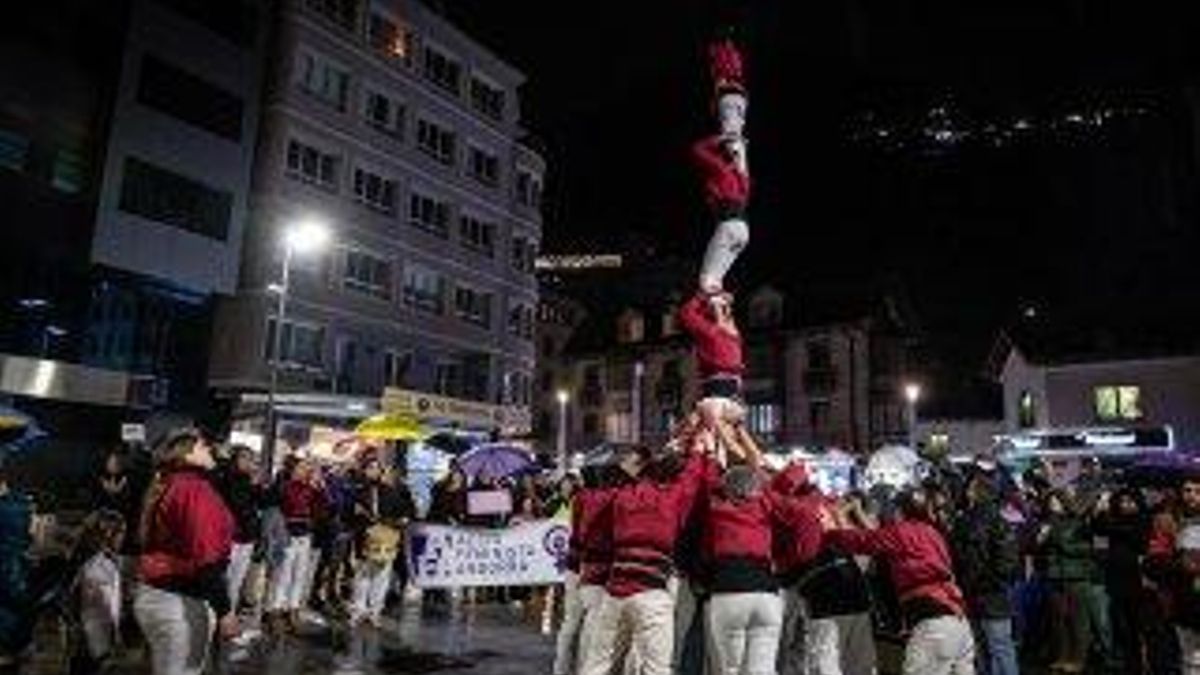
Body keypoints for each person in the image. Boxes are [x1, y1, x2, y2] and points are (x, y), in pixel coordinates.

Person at [577, 443, 715, 675]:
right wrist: (703, 452)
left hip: (615, 591)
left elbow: (593, 530)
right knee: (657, 668)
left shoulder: (622, 496)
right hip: (651, 592)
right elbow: (695, 479)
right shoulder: (673, 497)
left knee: (597, 664)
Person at [823, 486, 976, 675]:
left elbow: (864, 541)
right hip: (960, 625)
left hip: (934, 625)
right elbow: (879, 538)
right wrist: (858, 514)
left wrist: (830, 531)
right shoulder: (931, 532)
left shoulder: (902, 532)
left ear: (899, 511)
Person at [133, 428, 237, 675]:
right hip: (180, 602)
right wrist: (225, 611)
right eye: (203, 446)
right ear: (188, 455)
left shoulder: (168, 482)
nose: (210, 449)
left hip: (155, 594)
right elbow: (207, 557)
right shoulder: (194, 489)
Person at [773, 464, 874, 675]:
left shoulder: (795, 509)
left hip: (824, 595)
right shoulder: (829, 504)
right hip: (857, 592)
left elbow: (795, 560)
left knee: (824, 661)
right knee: (859, 664)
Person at [700, 445, 785, 675]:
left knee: (731, 668)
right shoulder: (764, 507)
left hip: (729, 589)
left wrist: (709, 452)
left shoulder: (717, 510)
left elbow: (706, 485)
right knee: (763, 669)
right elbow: (766, 477)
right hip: (767, 592)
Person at [951, 469, 1020, 675]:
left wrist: (984, 580)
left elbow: (1006, 560)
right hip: (988, 592)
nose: (966, 491)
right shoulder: (992, 520)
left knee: (988, 648)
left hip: (981, 592)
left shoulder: (971, 521)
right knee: (996, 648)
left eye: (970, 488)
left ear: (976, 492)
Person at [1036, 489, 1109, 673]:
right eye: (1051, 502)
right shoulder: (1048, 523)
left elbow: (1087, 549)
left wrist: (1061, 542)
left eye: (1056, 501)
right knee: (1059, 620)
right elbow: (1036, 549)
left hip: (1077, 575)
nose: (1053, 505)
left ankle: (1078, 658)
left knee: (1078, 620)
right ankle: (1062, 656)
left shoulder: (1080, 522)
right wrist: (1039, 540)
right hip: (1054, 575)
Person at [554, 466, 615, 675]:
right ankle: (583, 668)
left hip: (575, 564)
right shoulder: (606, 498)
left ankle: (560, 668)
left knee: (571, 621)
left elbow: (576, 531)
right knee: (592, 620)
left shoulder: (578, 499)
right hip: (592, 566)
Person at [349, 456, 414, 626]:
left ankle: (375, 611)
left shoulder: (390, 491)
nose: (374, 471)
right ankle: (358, 611)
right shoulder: (357, 490)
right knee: (362, 575)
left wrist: (402, 519)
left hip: (386, 539)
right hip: (363, 537)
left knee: (381, 576)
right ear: (364, 470)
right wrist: (354, 512)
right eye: (370, 468)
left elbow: (406, 510)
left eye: (377, 468)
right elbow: (346, 513)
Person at [265, 454, 326, 633]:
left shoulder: (310, 488)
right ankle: (275, 610)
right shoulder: (285, 487)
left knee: (299, 574)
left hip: (305, 535)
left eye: (306, 467)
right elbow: (286, 507)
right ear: (292, 469)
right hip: (287, 535)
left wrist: (320, 489)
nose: (305, 470)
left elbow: (321, 510)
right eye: (301, 467)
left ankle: (292, 609)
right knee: (283, 574)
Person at [1146, 475, 1200, 673]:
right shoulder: (1167, 521)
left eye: (1198, 491)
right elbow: (1153, 562)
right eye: (1188, 490)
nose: (1192, 496)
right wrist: (1179, 564)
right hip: (1182, 599)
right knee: (1189, 657)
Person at [1093, 486, 1149, 674]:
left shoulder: (1142, 521)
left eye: (1130, 501)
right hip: (1116, 580)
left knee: (1136, 626)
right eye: (1122, 501)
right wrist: (1101, 509)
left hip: (1136, 581)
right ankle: (1129, 663)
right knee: (1121, 625)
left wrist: (1110, 522)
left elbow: (1135, 538)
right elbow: (1099, 528)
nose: (1125, 505)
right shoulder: (1116, 520)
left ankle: (1139, 664)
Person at [678, 290, 745, 447]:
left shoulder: (730, 334)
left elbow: (687, 313)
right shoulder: (710, 331)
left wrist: (712, 296)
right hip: (720, 384)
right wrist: (705, 296)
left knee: (719, 431)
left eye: (727, 309)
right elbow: (686, 314)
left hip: (725, 385)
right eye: (722, 309)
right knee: (715, 432)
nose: (728, 313)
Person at [71, 509, 126, 673]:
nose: (123, 538)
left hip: (87, 637)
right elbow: (106, 606)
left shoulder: (90, 559)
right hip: (95, 638)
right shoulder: (98, 566)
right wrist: (116, 635)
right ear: (108, 534)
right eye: (121, 533)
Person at [214, 446, 263, 619]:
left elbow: (262, 502)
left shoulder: (248, 480)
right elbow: (237, 505)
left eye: (251, 459)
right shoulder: (227, 478)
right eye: (245, 458)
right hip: (230, 537)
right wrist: (251, 485)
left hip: (247, 537)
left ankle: (230, 615)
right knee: (224, 580)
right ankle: (220, 617)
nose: (249, 462)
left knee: (237, 581)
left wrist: (256, 485)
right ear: (235, 459)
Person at [0, 462, 33, 667]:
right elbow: (28, 536)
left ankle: (9, 652)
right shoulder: (21, 502)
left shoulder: (7, 508)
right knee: (18, 605)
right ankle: (20, 648)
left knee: (7, 608)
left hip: (6, 565)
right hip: (19, 564)